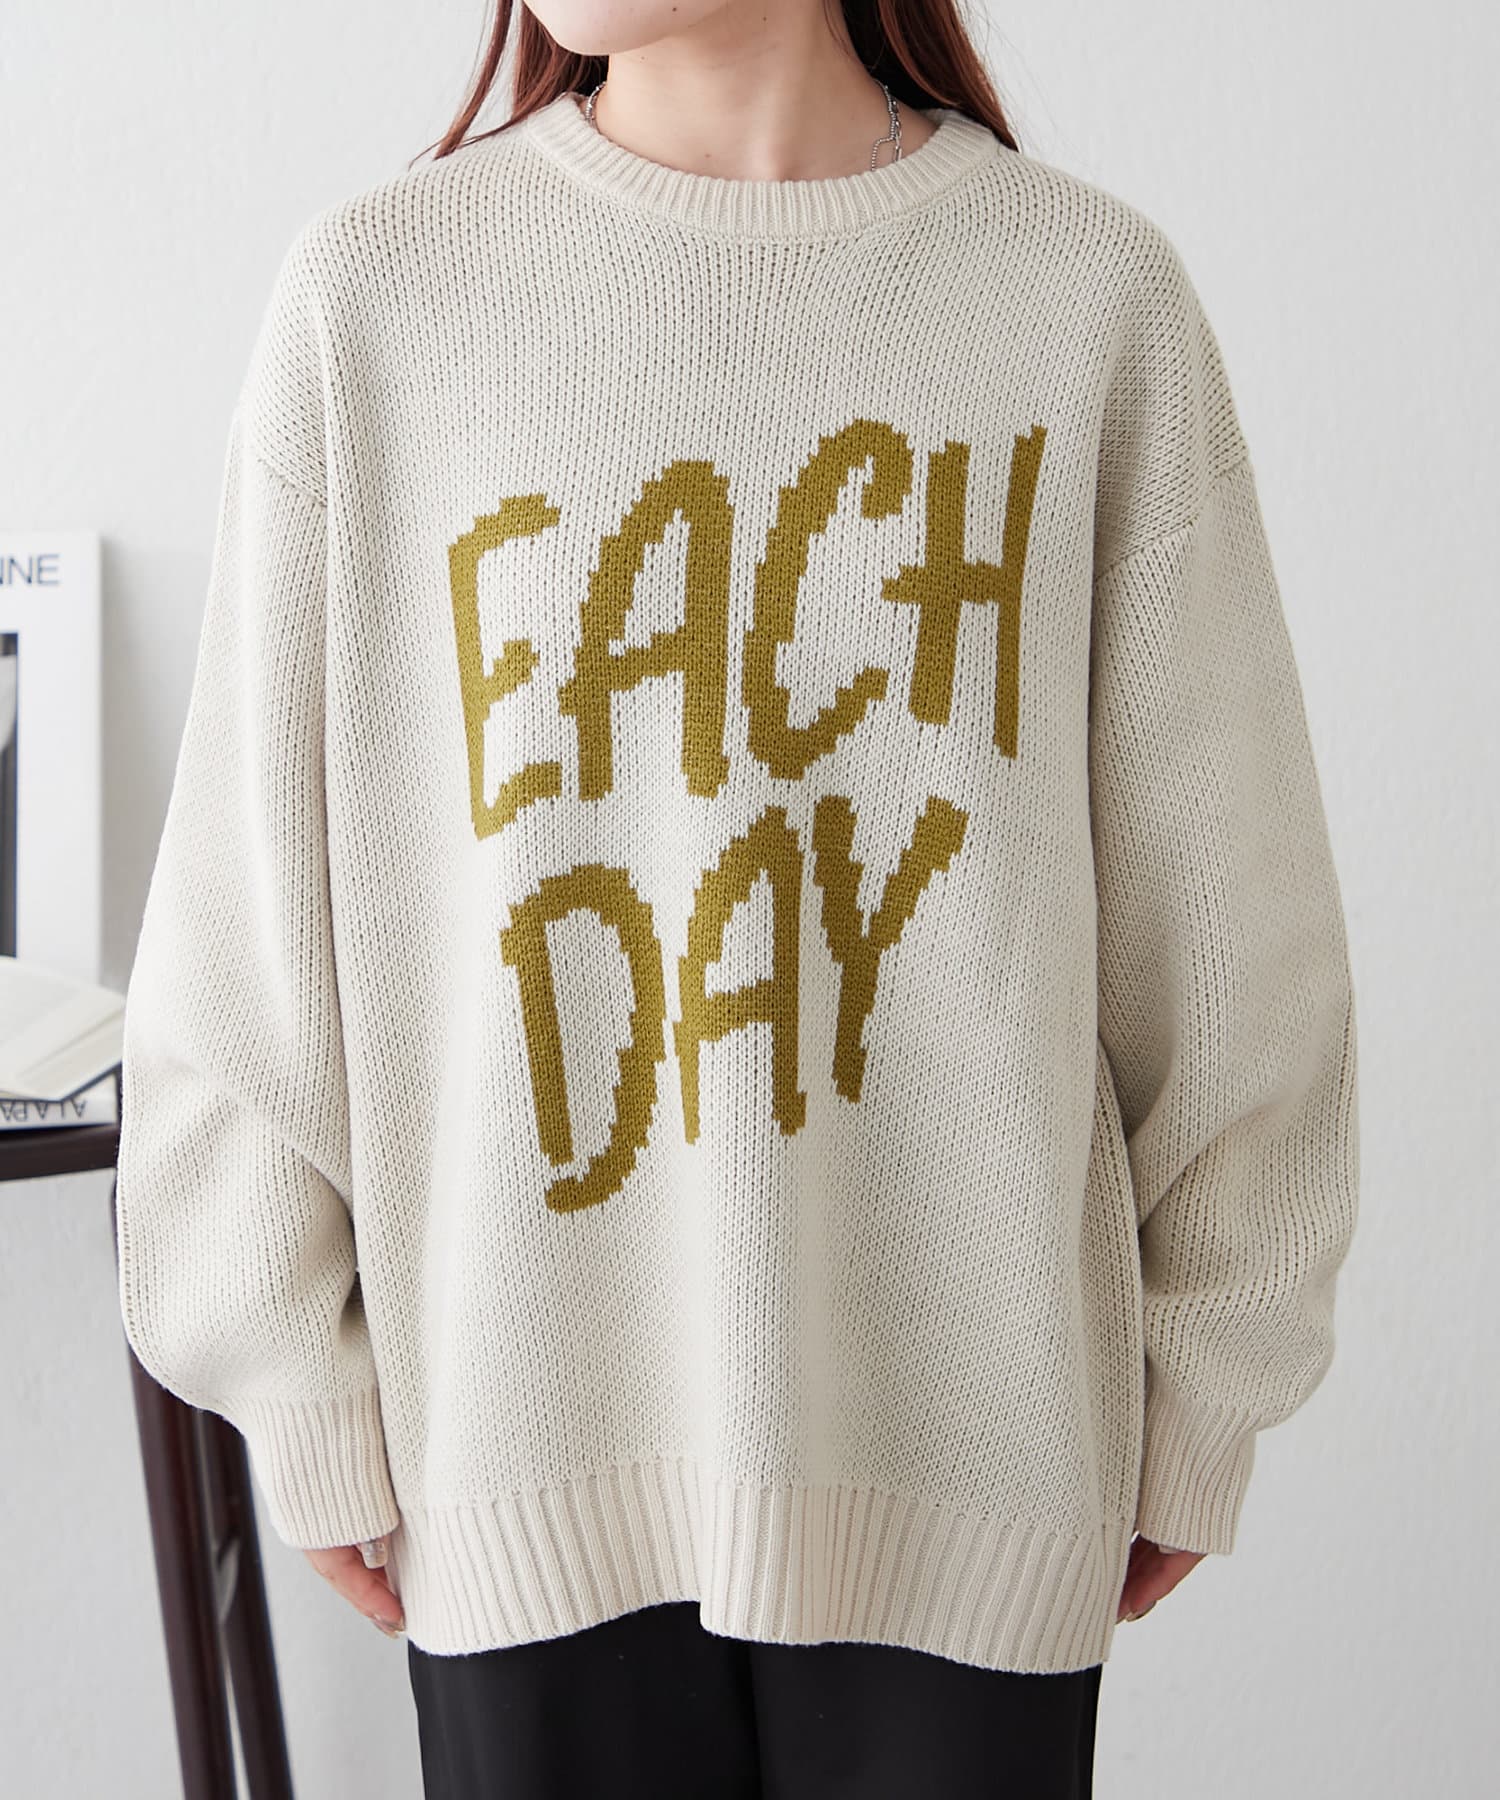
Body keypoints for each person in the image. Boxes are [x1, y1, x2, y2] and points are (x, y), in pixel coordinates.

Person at [112, 1, 1361, 1795]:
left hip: (973, 1476)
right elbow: (246, 919)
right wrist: (293, 1378)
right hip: (523, 1467)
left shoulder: (1084, 303)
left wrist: (1209, 1383)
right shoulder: (379, 305)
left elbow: (1233, 928)